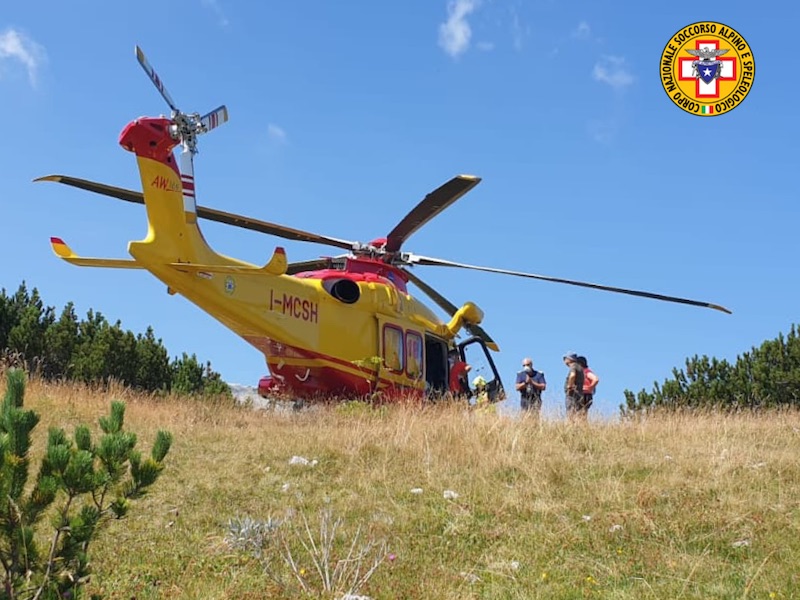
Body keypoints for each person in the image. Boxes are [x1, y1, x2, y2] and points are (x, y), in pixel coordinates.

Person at [562, 352, 585, 420]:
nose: (564, 361)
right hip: (579, 394)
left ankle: (570, 427)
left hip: (572, 394)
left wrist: (569, 386)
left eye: (565, 358)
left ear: (569, 359)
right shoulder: (580, 368)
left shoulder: (573, 366)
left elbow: (572, 375)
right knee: (578, 414)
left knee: (570, 413)